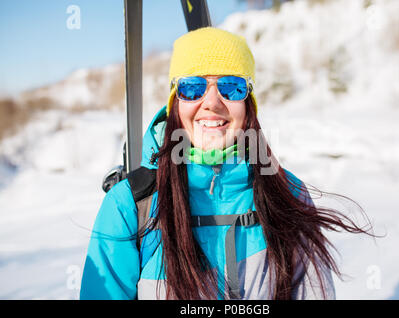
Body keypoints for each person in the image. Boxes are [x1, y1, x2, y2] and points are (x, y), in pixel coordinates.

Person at [80, 27, 372, 300]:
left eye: (231, 87)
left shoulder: (288, 194)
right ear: (175, 104)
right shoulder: (131, 206)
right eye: (192, 87)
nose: (212, 102)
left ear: (248, 105)